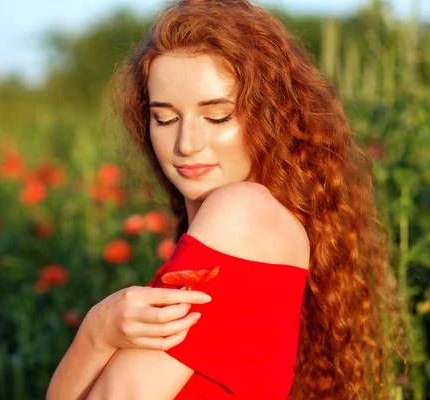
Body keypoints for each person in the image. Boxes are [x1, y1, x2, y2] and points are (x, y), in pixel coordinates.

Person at [47, 0, 404, 399]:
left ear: (269, 116)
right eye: (164, 118)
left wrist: (99, 333)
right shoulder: (246, 228)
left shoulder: (242, 214)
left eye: (216, 116)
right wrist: (98, 330)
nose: (186, 143)